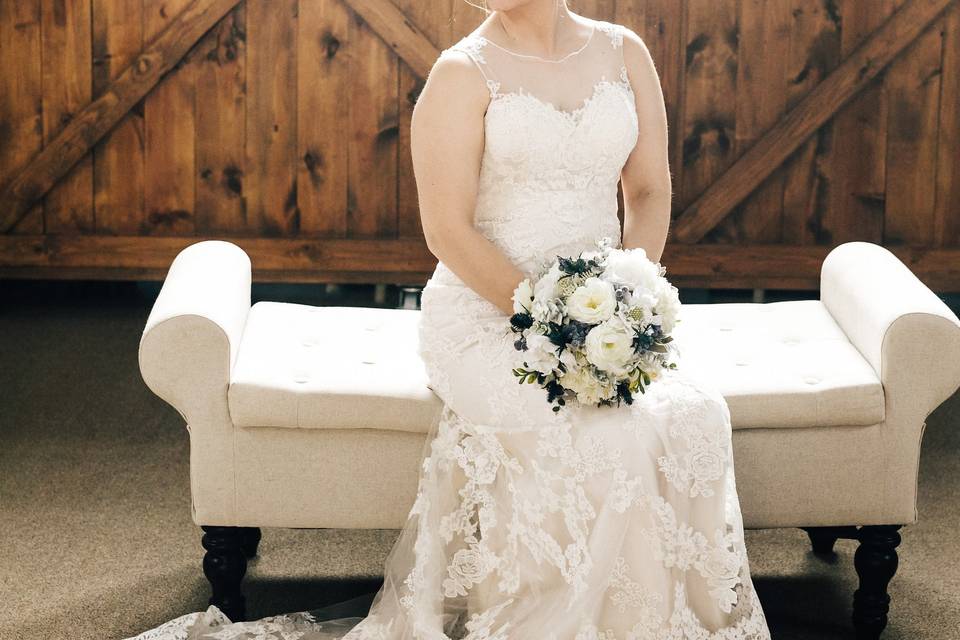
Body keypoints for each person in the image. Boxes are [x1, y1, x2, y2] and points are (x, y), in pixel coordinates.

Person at [127, 1, 772, 638]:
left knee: (693, 414)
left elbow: (649, 189)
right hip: (485, 316)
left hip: (602, 315)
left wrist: (628, 302)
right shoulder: (462, 73)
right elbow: (447, 232)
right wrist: (550, 323)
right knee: (595, 433)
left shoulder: (624, 51)